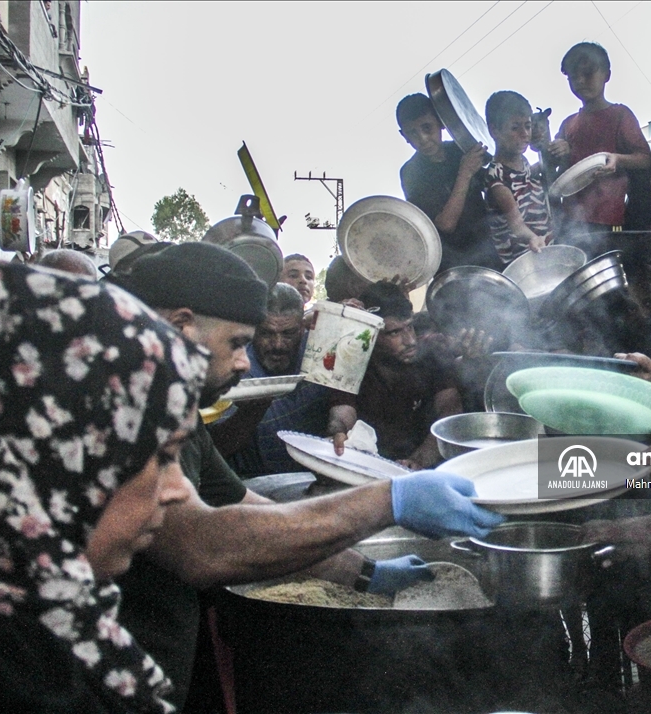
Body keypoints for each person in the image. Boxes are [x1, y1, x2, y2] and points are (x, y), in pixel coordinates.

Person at [109, 243, 503, 709]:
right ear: (179, 327)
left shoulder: (175, 410)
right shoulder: (119, 411)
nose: (242, 362)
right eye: (237, 343)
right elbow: (202, 546)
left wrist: (365, 573)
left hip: (158, 663)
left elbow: (243, 507)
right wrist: (389, 500)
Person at [0, 261, 209, 713]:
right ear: (59, 455)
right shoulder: (5, 675)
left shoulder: (53, 617)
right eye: (163, 457)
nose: (177, 490)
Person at [330, 281, 463, 468]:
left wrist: (418, 461)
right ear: (371, 334)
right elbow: (342, 413)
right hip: (369, 465)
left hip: (426, 464)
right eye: (394, 333)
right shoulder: (352, 361)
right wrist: (339, 434)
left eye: (410, 327)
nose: (409, 340)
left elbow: (450, 410)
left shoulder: (432, 353)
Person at [547, 42, 651, 253]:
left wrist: (617, 158)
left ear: (607, 74)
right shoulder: (568, 124)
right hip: (570, 223)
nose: (579, 81)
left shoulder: (621, 114)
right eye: (572, 77)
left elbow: (645, 158)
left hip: (609, 222)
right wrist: (558, 151)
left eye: (587, 73)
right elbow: (557, 172)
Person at [219, 283, 332, 475]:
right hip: (254, 485)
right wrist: (251, 413)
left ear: (303, 328)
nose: (278, 345)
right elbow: (215, 450)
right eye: (266, 333)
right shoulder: (235, 367)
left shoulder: (321, 353)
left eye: (288, 334)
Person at [397, 93, 502, 273]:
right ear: (404, 135)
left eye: (427, 128)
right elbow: (445, 224)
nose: (423, 139)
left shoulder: (460, 149)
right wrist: (465, 173)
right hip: (452, 268)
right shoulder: (411, 173)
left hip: (489, 252)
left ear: (441, 122)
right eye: (413, 133)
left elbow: (497, 180)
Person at [485, 90, 553, 266]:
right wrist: (534, 238)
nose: (525, 134)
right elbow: (517, 225)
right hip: (523, 260)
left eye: (527, 126)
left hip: (544, 250)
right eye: (515, 128)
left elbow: (526, 182)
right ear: (494, 131)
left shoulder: (523, 163)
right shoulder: (496, 177)